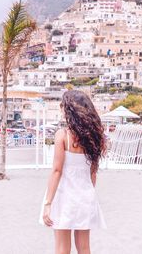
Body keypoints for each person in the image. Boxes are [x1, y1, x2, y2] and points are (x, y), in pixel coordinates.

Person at [39, 90, 107, 254]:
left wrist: (48, 203)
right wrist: (87, 195)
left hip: (64, 197)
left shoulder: (62, 135)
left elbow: (57, 171)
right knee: (84, 248)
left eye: (62, 106)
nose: (61, 110)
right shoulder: (94, 139)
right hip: (85, 196)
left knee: (62, 249)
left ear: (69, 110)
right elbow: (93, 174)